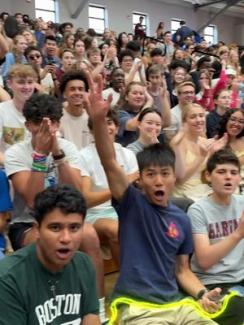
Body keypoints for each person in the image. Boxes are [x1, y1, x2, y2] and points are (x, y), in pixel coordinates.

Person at [84, 73, 223, 325]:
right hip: (137, 307)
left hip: (177, 304)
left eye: (165, 174)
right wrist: (97, 118)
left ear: (173, 178)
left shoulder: (182, 219)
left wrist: (202, 293)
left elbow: (182, 270)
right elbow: (109, 162)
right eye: (150, 174)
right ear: (140, 179)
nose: (158, 180)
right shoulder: (131, 204)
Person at [4, 93, 107, 324]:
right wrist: (40, 155)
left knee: (88, 234)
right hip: (27, 223)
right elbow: (33, 200)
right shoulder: (15, 153)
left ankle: (96, 306)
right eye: (41, 123)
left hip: (64, 218)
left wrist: (58, 153)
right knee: (39, 241)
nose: (48, 128)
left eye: (54, 122)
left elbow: (78, 194)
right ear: (29, 124)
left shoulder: (67, 147)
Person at [0, 184, 100, 324]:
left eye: (74, 228)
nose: (66, 238)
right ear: (37, 229)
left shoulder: (84, 264)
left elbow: (91, 315)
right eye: (55, 227)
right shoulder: (8, 279)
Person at [188, 149, 244, 325]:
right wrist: (238, 234)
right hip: (214, 283)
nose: (228, 177)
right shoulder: (198, 210)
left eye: (233, 173)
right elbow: (204, 260)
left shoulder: (242, 203)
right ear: (208, 176)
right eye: (221, 172)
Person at [79, 109, 138, 266]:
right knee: (116, 229)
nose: (106, 127)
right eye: (101, 124)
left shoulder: (128, 154)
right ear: (92, 130)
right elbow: (87, 200)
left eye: (110, 123)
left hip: (126, 209)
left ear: (117, 128)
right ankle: (128, 281)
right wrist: (124, 182)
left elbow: (135, 192)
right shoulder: (83, 156)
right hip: (96, 214)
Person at [0, 64, 38, 164]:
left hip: (37, 169)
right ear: (9, 84)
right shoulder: (1, 111)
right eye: (21, 82)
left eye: (30, 82)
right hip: (7, 169)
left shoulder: (41, 112)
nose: (26, 87)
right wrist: (16, 167)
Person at [59, 70, 93, 150]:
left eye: (81, 89)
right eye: (72, 89)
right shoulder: (58, 118)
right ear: (64, 94)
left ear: (86, 93)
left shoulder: (91, 116)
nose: (77, 93)